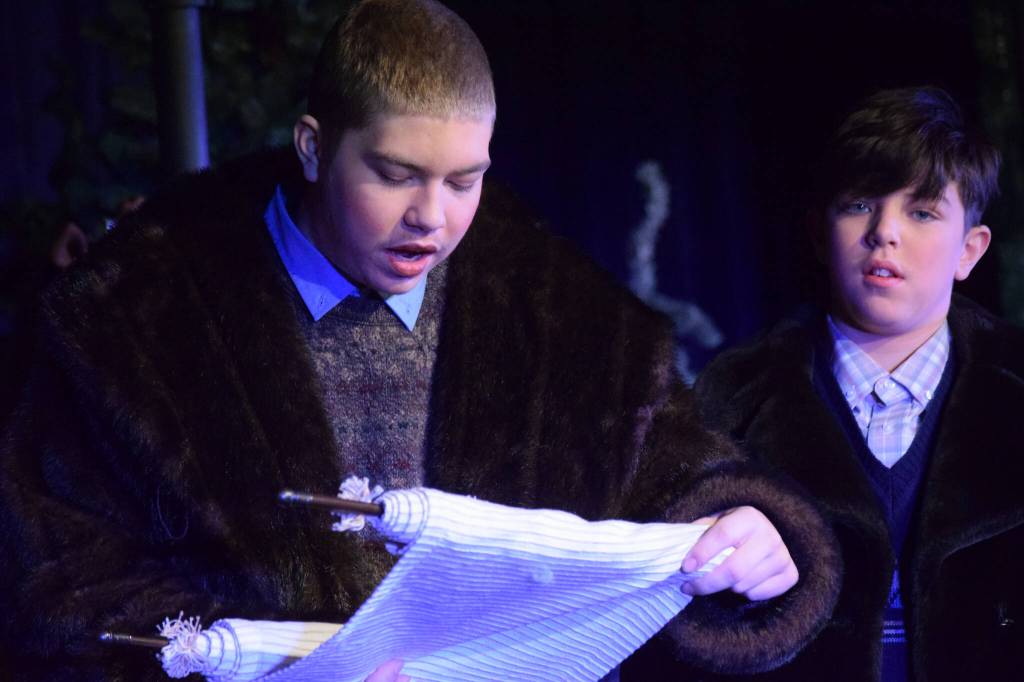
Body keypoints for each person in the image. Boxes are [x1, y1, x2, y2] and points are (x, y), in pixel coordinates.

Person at [0, 1, 839, 680]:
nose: (431, 219)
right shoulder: (134, 317)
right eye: (396, 175)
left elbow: (680, 476)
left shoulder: (563, 320)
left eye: (464, 180)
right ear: (315, 147)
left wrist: (754, 529)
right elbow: (56, 582)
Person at [678, 86, 1023, 681]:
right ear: (818, 232)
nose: (884, 231)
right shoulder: (724, 401)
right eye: (859, 204)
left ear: (970, 249)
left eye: (921, 211)